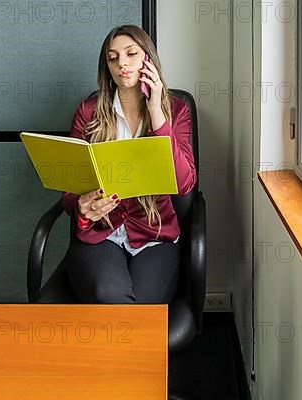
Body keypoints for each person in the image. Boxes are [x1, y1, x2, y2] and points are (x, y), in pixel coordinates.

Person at [60, 25, 197, 304]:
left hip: (154, 233)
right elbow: (69, 193)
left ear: (148, 59)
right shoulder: (88, 112)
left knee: (143, 309)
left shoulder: (177, 110)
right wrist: (82, 208)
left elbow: (183, 183)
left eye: (131, 54)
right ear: (107, 68)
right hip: (101, 233)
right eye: (113, 58)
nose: (122, 63)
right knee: (110, 296)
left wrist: (156, 112)